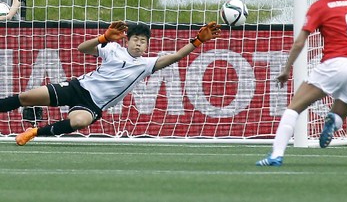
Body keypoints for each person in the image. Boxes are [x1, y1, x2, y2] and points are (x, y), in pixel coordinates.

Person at [0, 20, 221, 145]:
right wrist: (103, 38)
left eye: (143, 42)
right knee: (26, 97)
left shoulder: (146, 64)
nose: (138, 44)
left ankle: (34, 132)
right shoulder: (112, 49)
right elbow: (82, 49)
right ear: (127, 40)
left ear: (147, 46)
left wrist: (198, 41)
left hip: (92, 105)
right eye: (135, 39)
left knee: (79, 122)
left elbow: (175, 57)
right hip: (78, 87)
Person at [256, 0, 347, 166]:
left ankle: (276, 155)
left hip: (335, 64)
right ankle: (334, 121)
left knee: (294, 108)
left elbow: (300, 42)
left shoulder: (320, 6)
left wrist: (286, 69)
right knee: (339, 113)